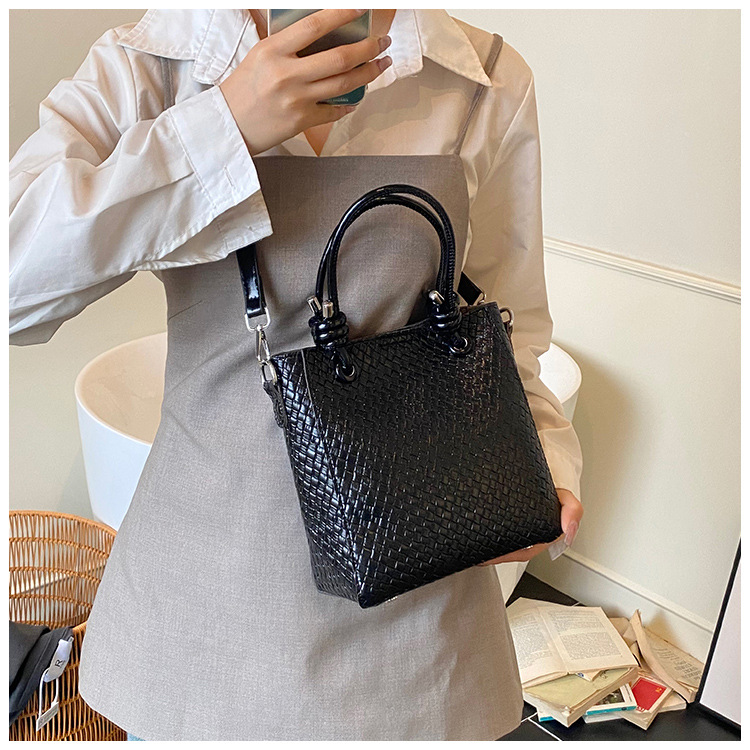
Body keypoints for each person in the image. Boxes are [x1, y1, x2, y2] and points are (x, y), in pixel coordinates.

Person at [9, 9, 584, 741]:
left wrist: (545, 468)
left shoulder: (484, 79)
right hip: (202, 612)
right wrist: (223, 127)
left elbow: (511, 326)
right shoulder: (153, 61)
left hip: (417, 617)